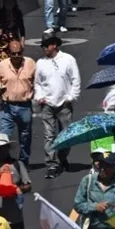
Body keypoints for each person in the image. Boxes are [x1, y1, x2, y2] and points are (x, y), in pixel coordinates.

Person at [34, 34, 79, 180]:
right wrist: (40, 96)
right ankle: (52, 164)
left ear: (54, 45)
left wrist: (71, 97)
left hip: (64, 104)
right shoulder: (40, 63)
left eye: (47, 45)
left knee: (66, 135)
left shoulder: (68, 59)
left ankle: (62, 156)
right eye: (43, 46)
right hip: (47, 104)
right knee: (49, 135)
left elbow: (75, 79)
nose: (44, 48)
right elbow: (37, 83)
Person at [0, 40, 35, 166]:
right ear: (9, 53)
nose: (16, 56)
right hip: (7, 107)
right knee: (3, 136)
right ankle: (4, 161)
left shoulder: (31, 63)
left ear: (22, 52)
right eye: (13, 53)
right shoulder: (2, 65)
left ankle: (23, 162)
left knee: (25, 137)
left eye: (19, 53)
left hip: (25, 106)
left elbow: (38, 80)